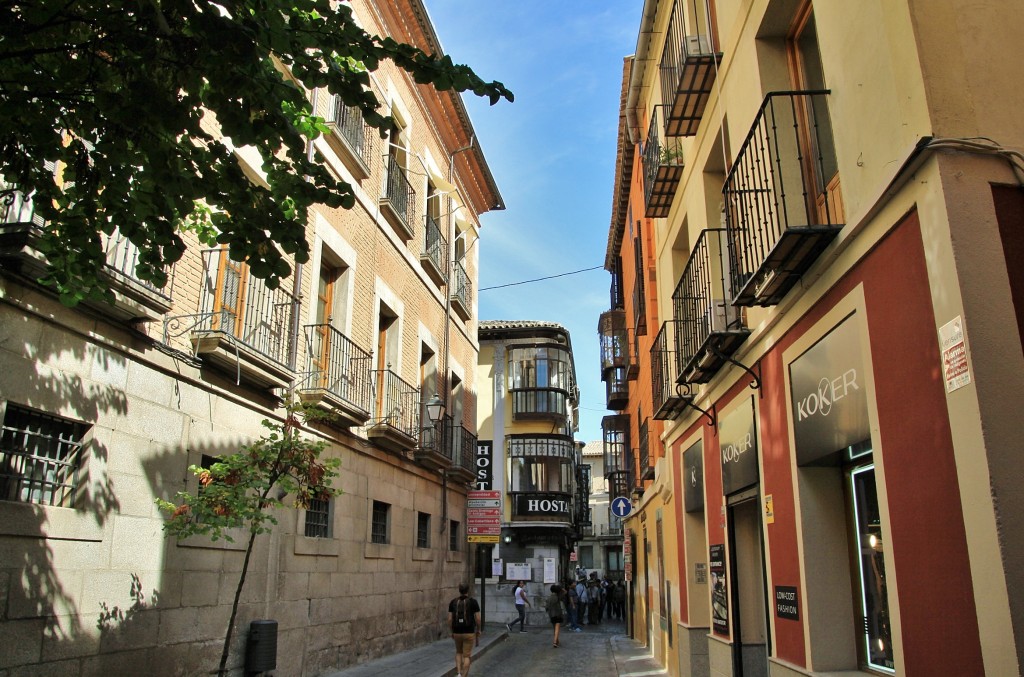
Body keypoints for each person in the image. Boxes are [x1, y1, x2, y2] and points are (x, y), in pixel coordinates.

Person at [448, 582, 481, 677]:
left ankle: (458, 673)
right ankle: (463, 675)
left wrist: (451, 631)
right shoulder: (473, 602)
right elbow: (478, 619)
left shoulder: (453, 602)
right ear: (468, 590)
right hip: (469, 632)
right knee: (466, 656)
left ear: (459, 590)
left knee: (458, 652)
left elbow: (449, 619)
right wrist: (478, 630)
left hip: (457, 632)